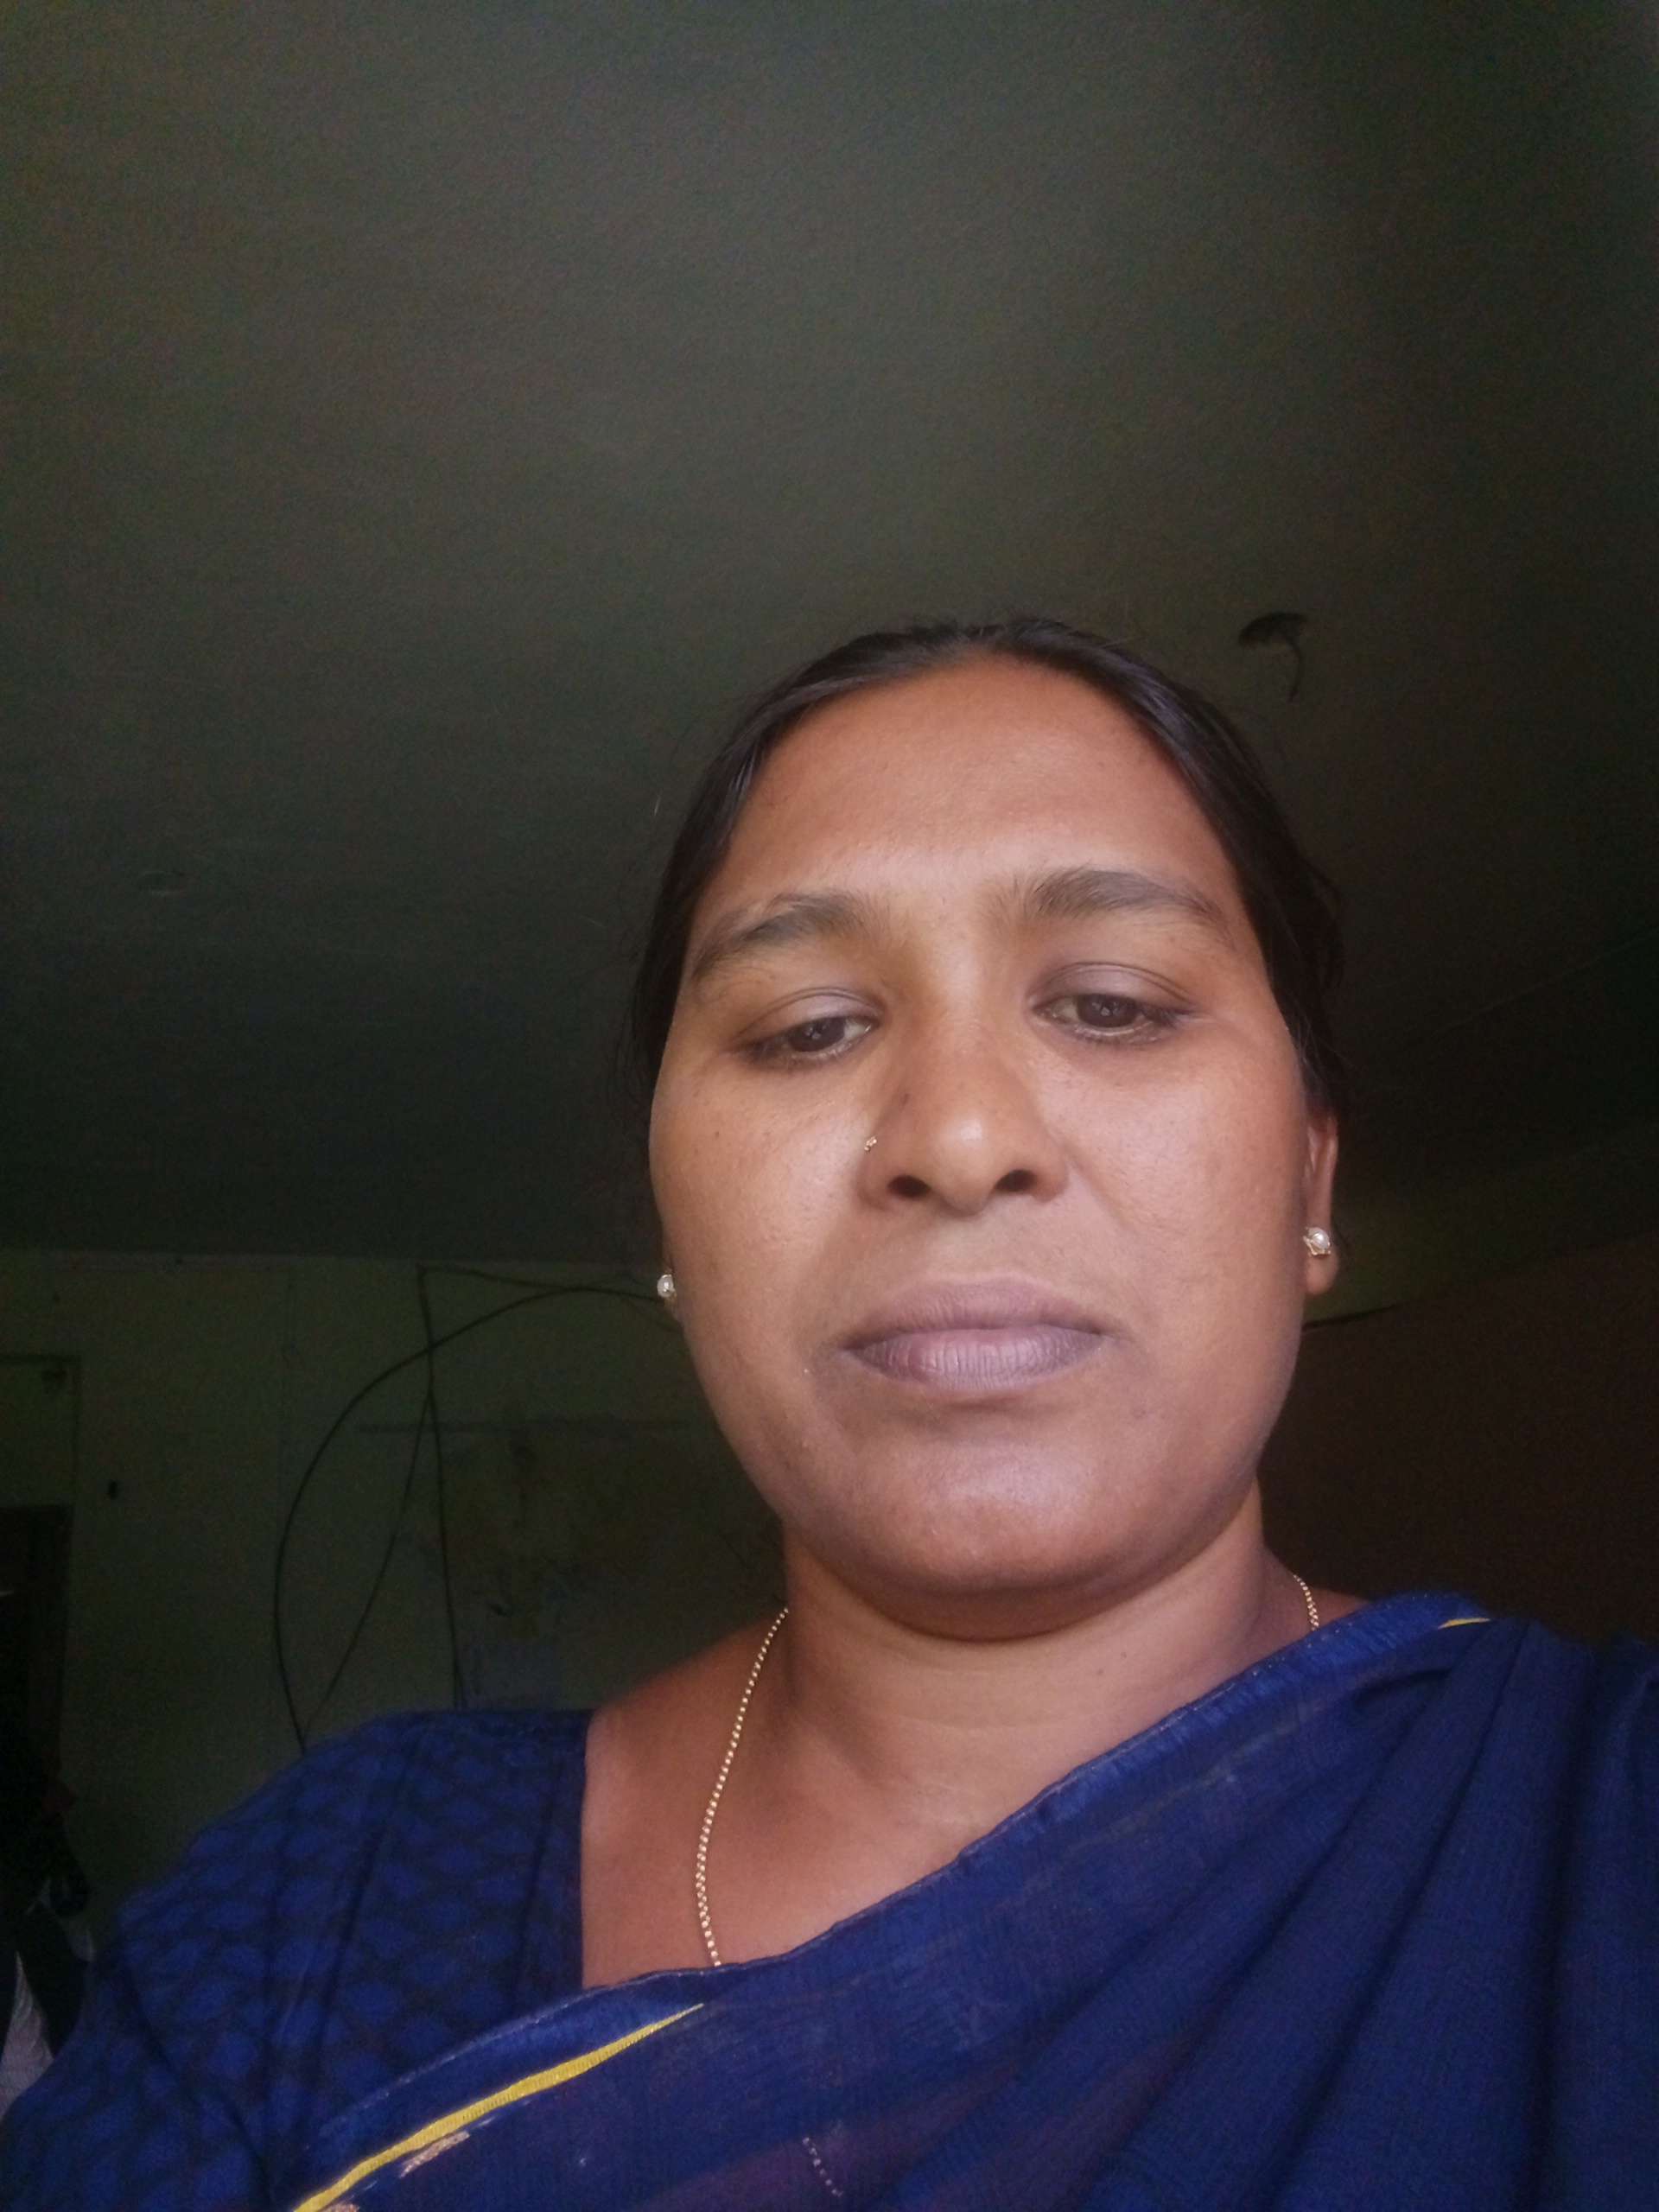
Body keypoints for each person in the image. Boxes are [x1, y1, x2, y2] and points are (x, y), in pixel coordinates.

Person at [2, 618, 1652, 2209]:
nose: (959, 1135)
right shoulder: (325, 1914)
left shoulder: (1600, 1831)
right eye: (809, 1029)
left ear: (1311, 1179)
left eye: (1113, 1002)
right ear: (673, 1225)